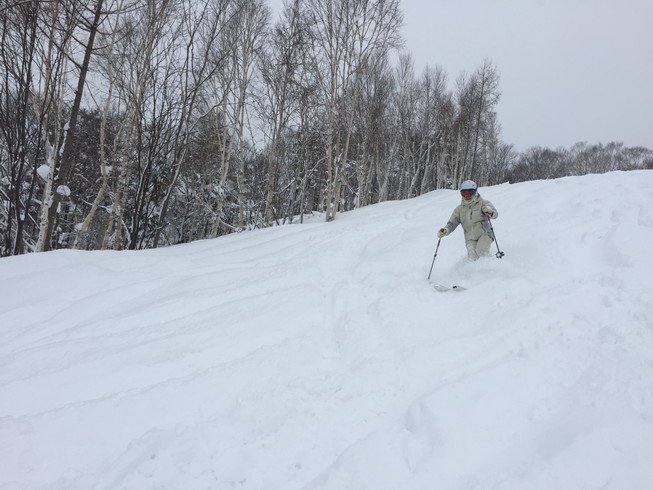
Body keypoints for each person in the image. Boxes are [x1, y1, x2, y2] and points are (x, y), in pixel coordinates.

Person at [437, 180, 499, 261]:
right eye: (464, 194)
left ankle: (491, 267)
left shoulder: (483, 203)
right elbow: (452, 223)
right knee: (472, 257)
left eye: (469, 193)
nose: (467, 196)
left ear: (475, 192)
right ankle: (474, 272)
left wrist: (490, 211)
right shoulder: (459, 209)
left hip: (485, 234)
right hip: (470, 238)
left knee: (481, 251)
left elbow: (495, 214)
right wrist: (445, 230)